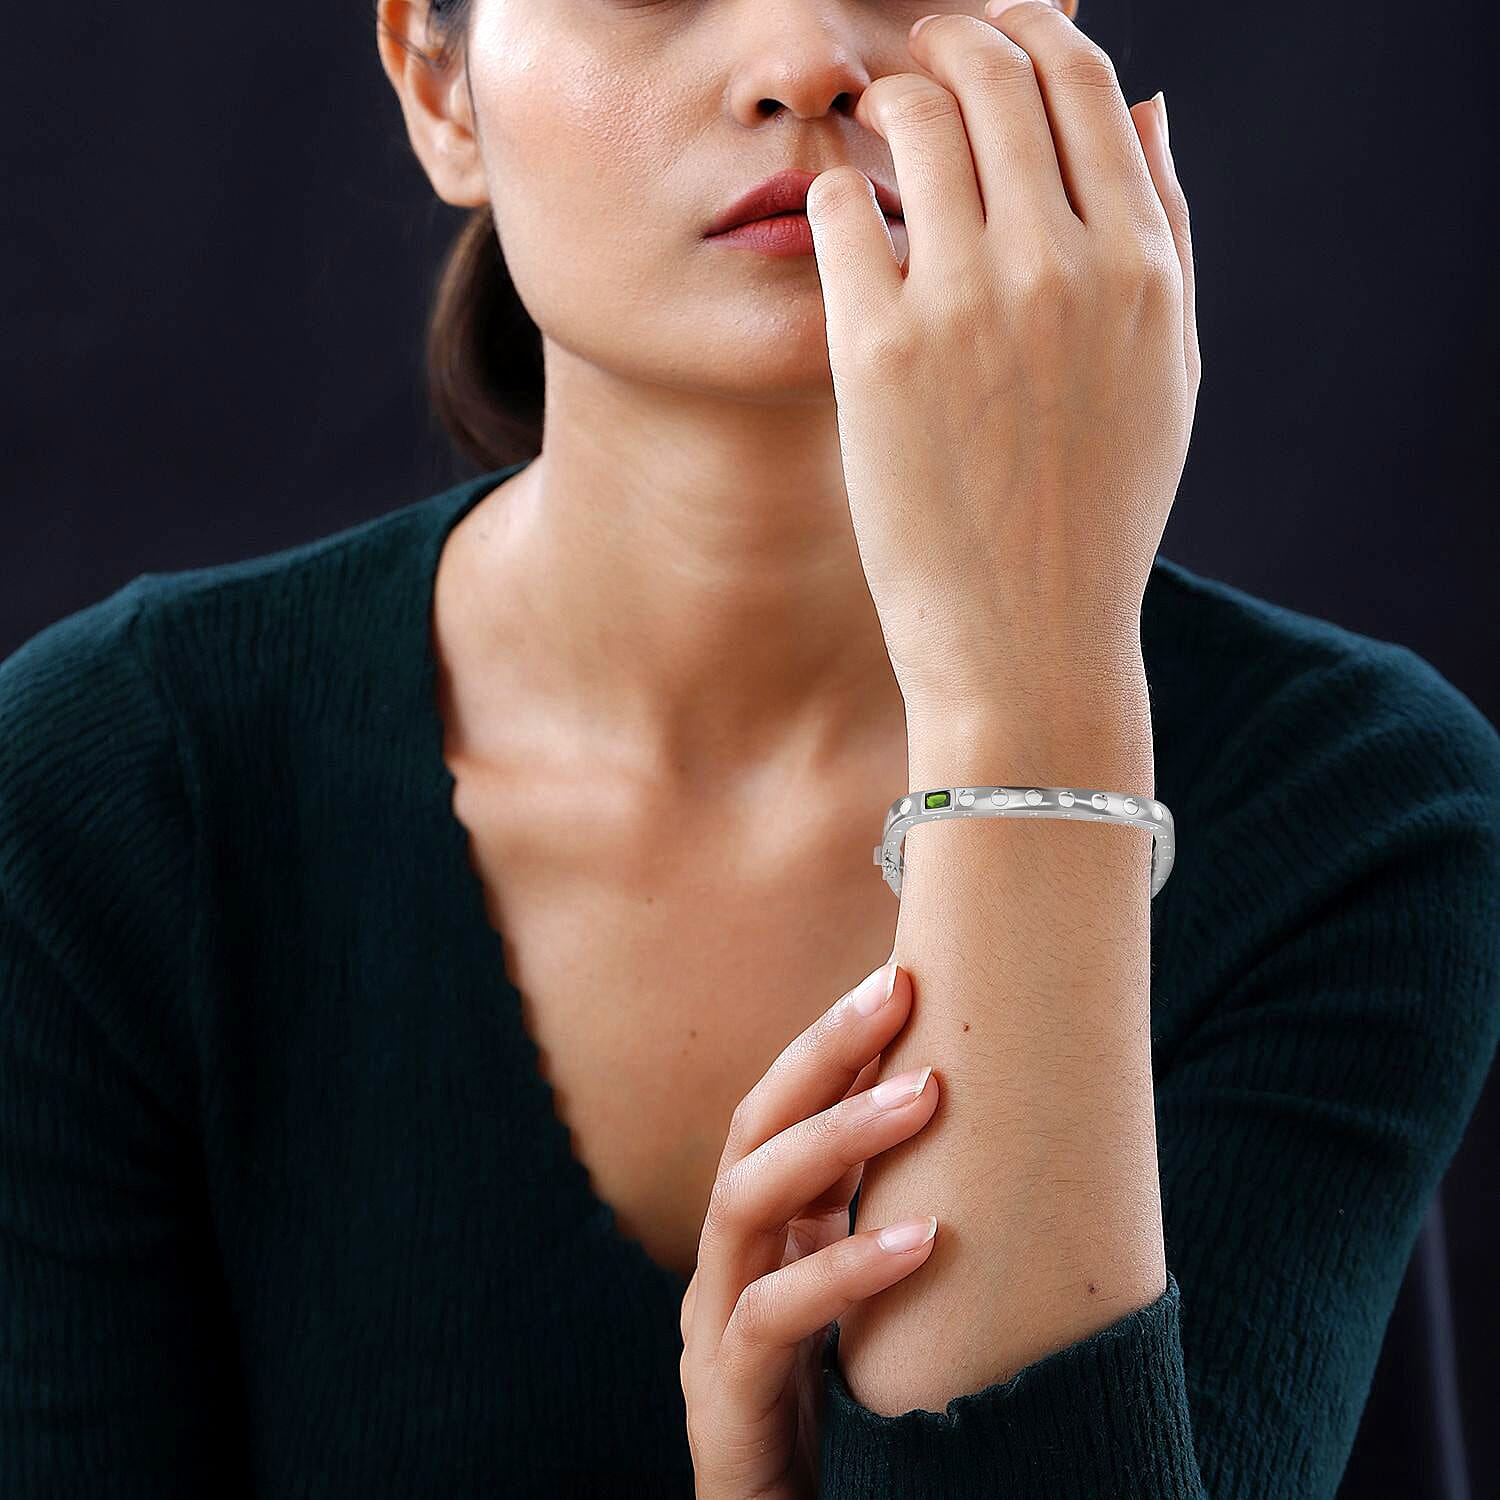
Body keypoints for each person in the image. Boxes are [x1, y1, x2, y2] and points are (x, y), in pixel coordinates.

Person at [3, 0, 1498, 1495]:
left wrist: (1023, 703)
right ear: (439, 81)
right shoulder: (95, 805)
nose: (803, 60)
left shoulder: (1362, 810)